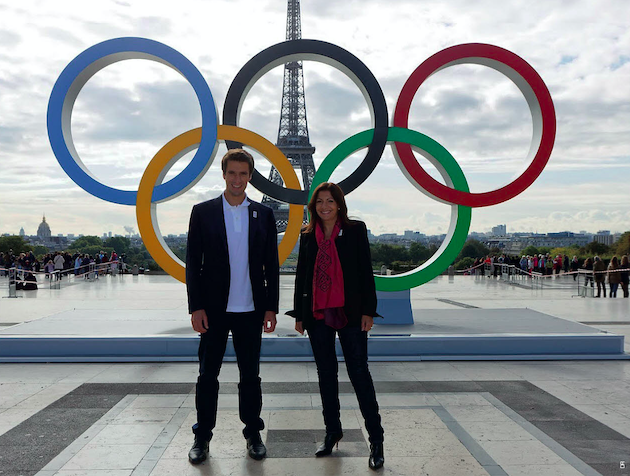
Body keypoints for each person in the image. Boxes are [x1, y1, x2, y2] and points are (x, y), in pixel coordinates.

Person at [185, 149, 279, 465]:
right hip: (213, 309)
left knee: (250, 376)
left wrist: (271, 307)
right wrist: (195, 307)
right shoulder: (203, 212)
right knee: (207, 376)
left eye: (243, 173)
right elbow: (192, 264)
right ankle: (202, 437)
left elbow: (272, 265)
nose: (237, 179)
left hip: (251, 309)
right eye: (232, 173)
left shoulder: (263, 215)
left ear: (250, 176)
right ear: (223, 175)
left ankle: (253, 433)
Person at [288, 182, 385, 470]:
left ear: (339, 204)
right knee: (326, 374)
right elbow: (302, 275)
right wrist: (299, 315)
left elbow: (365, 271)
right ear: (313, 206)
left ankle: (376, 439)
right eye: (319, 202)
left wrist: (369, 310)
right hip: (318, 311)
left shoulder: (355, 230)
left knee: (359, 373)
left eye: (330, 201)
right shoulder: (308, 236)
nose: (324, 206)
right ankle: (333, 431)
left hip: (351, 311)